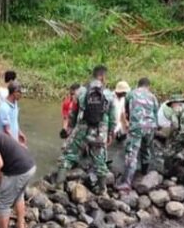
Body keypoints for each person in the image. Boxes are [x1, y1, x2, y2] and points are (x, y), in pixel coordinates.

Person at [55, 65, 116, 195]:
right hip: (99, 132)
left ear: (93, 75)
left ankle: (59, 185)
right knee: (100, 160)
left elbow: (72, 113)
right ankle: (102, 190)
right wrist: (111, 133)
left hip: (81, 130)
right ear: (103, 77)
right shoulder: (109, 94)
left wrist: (70, 129)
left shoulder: (81, 92)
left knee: (68, 155)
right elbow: (112, 117)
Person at [116, 77, 159, 192]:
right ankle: (144, 173)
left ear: (138, 85)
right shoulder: (153, 97)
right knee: (146, 150)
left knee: (132, 153)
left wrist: (130, 123)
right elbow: (155, 113)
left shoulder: (131, 94)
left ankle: (126, 182)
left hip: (137, 126)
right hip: (150, 127)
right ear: (148, 86)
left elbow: (127, 111)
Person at [0, 80, 26, 145]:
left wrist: (19, 132)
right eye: (20, 93)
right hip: (5, 144)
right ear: (15, 92)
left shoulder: (15, 104)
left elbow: (14, 121)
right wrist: (17, 145)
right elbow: (6, 131)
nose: (21, 95)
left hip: (13, 142)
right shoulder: (4, 108)